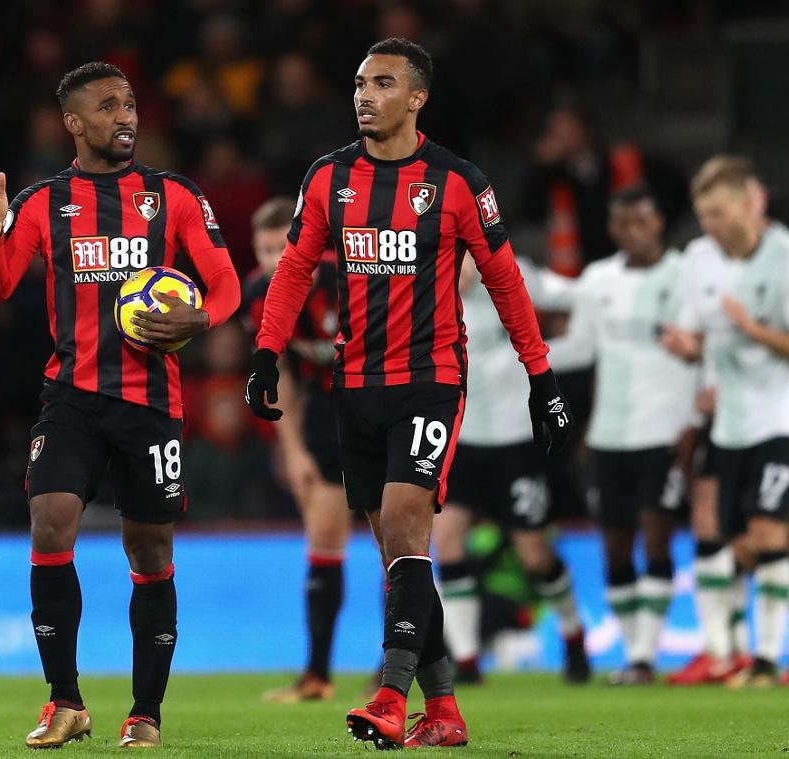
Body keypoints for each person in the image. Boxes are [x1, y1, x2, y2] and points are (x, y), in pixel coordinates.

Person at [245, 38, 573, 750]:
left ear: (417, 97)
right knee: (398, 553)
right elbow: (295, 268)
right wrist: (267, 354)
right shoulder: (328, 177)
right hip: (351, 386)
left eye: (383, 83)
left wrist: (539, 375)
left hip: (430, 381)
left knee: (404, 525)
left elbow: (506, 281)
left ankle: (391, 698)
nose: (365, 95)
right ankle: (446, 710)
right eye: (360, 82)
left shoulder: (457, 182)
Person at [0, 62, 241, 748]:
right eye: (108, 106)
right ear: (73, 123)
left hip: (150, 402)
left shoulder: (171, 195)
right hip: (72, 395)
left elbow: (226, 283)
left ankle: (144, 711)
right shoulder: (43, 202)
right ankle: (65, 700)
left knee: (149, 547)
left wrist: (202, 321)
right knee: (50, 522)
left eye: (129, 105)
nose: (126, 116)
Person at [661, 156, 789, 688]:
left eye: (718, 212)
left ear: (748, 206)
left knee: (768, 529)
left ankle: (763, 659)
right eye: (703, 214)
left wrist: (752, 329)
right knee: (736, 541)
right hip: (731, 419)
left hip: (785, 417)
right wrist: (688, 348)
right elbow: (697, 336)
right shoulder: (698, 259)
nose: (710, 224)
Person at [547, 186, 698, 685]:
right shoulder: (598, 280)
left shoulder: (686, 278)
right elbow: (580, 348)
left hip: (665, 431)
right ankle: (635, 651)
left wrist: (693, 424)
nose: (635, 232)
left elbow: (704, 350)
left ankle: (644, 656)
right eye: (624, 224)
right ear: (613, 229)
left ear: (659, 223)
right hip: (610, 434)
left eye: (644, 221)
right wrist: (518, 350)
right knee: (615, 544)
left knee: (656, 536)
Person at [434, 252, 589, 686]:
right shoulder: (424, 286)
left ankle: (574, 636)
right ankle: (465, 661)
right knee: (447, 541)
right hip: (458, 440)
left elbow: (577, 295)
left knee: (534, 554)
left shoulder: (507, 273)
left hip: (514, 442)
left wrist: (571, 342)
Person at [242, 197, 353, 703]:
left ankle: (398, 665)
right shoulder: (258, 296)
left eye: (278, 247)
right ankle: (318, 675)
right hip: (326, 417)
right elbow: (280, 371)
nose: (271, 261)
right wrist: (293, 451)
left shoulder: (348, 275)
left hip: (380, 406)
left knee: (399, 539)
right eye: (262, 250)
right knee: (325, 535)